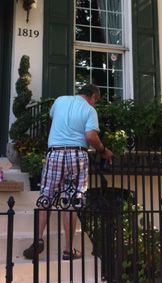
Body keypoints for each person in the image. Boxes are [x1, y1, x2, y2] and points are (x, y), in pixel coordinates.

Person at [23, 84, 113, 260]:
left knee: (46, 196)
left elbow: (53, 117)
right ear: (93, 96)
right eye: (96, 101)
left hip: (55, 153)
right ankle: (67, 250)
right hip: (77, 155)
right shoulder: (89, 110)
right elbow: (90, 137)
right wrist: (103, 150)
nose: (95, 104)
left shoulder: (60, 101)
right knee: (71, 201)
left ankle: (39, 239)